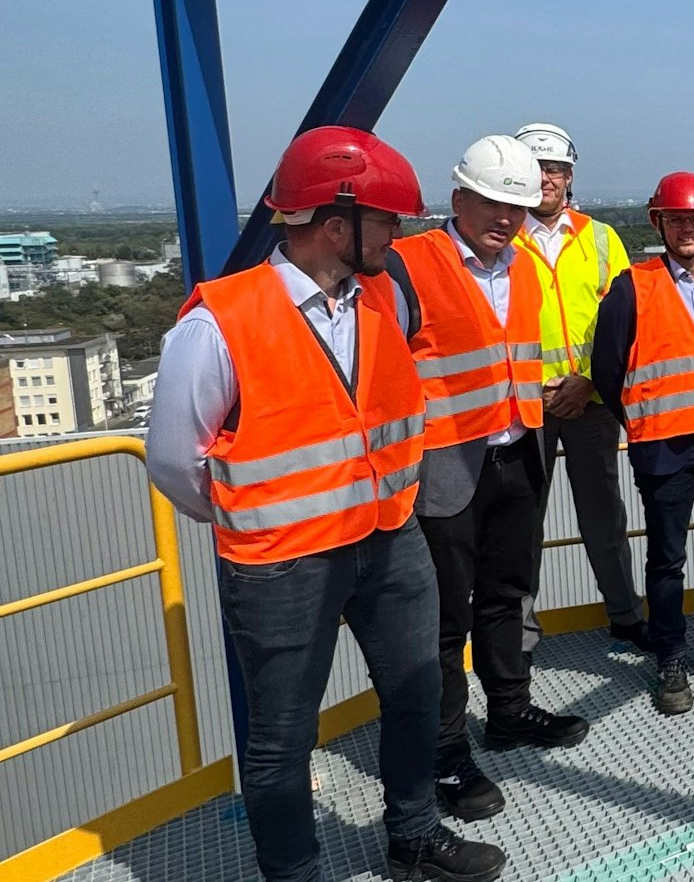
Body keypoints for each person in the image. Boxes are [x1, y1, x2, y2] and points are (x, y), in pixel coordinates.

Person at [148, 126, 504, 882]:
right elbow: (176, 461)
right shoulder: (220, 323)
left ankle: (414, 836)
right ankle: (295, 871)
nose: (399, 236)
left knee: (414, 693)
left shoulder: (383, 298)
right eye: (389, 223)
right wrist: (261, 510)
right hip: (282, 565)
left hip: (388, 539)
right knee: (281, 738)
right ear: (336, 226)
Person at [396, 134, 588, 823]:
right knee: (445, 622)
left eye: (514, 203)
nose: (504, 218)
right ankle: (446, 753)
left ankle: (507, 712)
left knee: (507, 595)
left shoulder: (527, 269)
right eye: (489, 203)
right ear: (457, 200)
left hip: (517, 453)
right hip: (444, 465)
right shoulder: (408, 266)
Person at [591, 172, 694, 716]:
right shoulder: (631, 286)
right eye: (677, 219)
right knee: (666, 560)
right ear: (658, 222)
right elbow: (608, 370)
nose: (688, 229)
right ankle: (670, 656)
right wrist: (642, 420)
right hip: (666, 447)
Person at [510, 122, 645, 656]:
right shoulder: (501, 238)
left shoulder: (601, 239)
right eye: (536, 168)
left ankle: (625, 615)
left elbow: (625, 322)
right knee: (521, 523)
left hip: (590, 401)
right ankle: (517, 634)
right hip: (526, 404)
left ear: (569, 176)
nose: (546, 179)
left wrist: (591, 381)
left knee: (603, 514)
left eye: (555, 169)